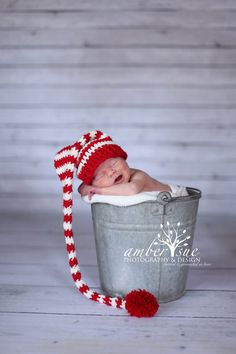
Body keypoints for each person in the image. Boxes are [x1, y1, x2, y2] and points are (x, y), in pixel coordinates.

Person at [78, 156, 172, 200]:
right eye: (101, 175)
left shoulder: (138, 176)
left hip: (173, 198)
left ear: (123, 159)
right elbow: (81, 188)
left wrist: (99, 190)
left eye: (114, 164)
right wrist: (91, 188)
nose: (111, 172)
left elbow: (132, 189)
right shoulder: (97, 184)